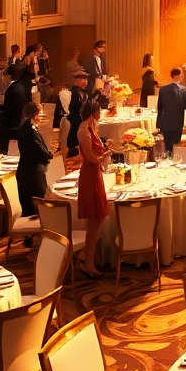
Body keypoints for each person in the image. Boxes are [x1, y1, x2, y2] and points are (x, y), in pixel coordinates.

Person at [76, 97, 110, 277]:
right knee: (94, 219)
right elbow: (91, 158)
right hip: (89, 176)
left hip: (95, 174)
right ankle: (88, 263)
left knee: (99, 218)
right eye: (99, 110)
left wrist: (106, 150)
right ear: (93, 112)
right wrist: (107, 155)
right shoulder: (83, 131)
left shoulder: (92, 127)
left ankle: (87, 257)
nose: (101, 113)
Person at [0, 53, 36, 154]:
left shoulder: (15, 89)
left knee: (3, 149)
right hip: (12, 122)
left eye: (5, 74)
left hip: (10, 125)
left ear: (9, 76)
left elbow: (14, 108)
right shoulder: (16, 87)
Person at [16, 102, 51, 219]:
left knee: (29, 207)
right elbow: (40, 150)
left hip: (25, 170)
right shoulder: (30, 131)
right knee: (36, 207)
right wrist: (50, 154)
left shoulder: (25, 127)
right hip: (32, 173)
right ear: (35, 115)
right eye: (40, 113)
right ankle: (33, 234)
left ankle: (30, 235)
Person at [156, 67, 186, 155]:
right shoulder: (184, 90)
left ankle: (168, 160)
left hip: (165, 123)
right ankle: (174, 162)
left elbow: (160, 108)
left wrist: (159, 124)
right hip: (177, 122)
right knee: (176, 145)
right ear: (180, 75)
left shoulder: (163, 90)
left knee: (167, 147)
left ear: (171, 76)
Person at [65, 69, 89, 157]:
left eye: (86, 79)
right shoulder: (74, 92)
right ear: (77, 80)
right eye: (84, 79)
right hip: (76, 119)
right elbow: (74, 107)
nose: (86, 81)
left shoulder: (82, 91)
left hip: (81, 118)